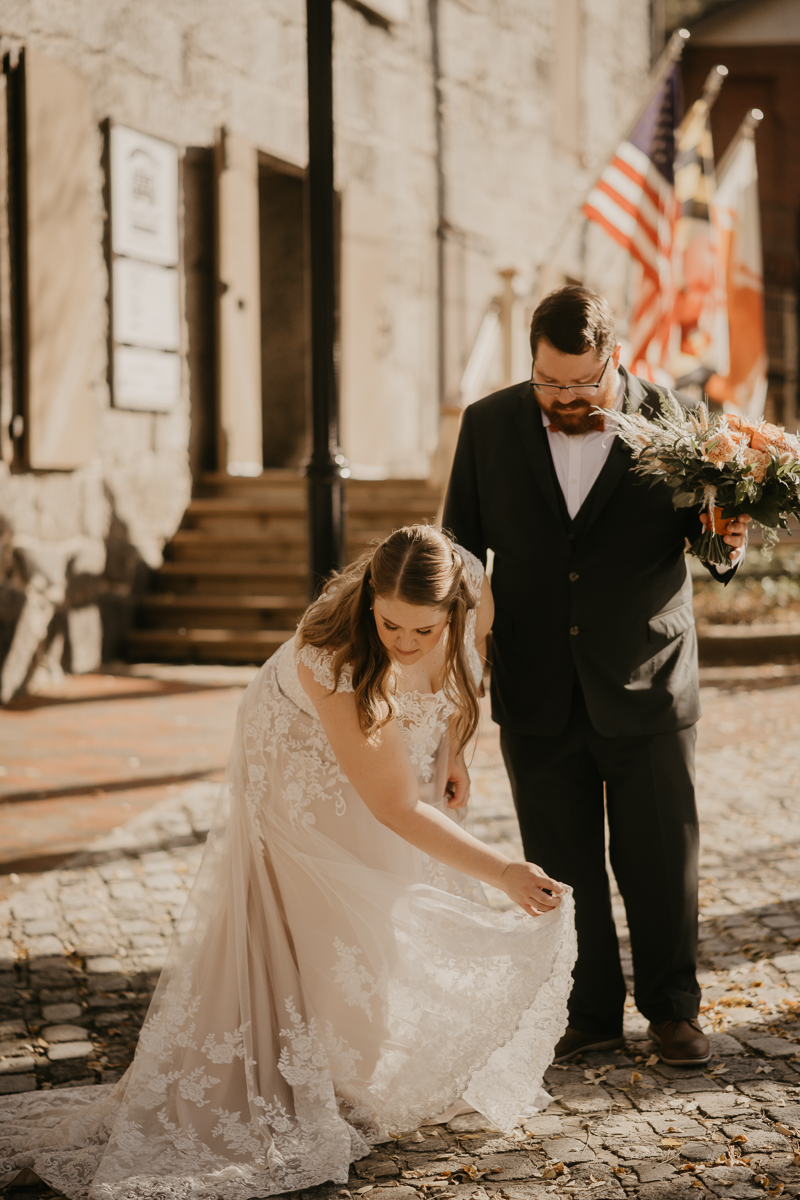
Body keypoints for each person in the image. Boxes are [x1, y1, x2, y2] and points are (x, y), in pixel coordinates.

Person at [0, 525, 575, 1200]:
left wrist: (449, 753)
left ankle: (347, 1052)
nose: (407, 643)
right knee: (329, 897)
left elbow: (456, 675)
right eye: (391, 625)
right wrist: (503, 870)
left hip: (377, 746)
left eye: (424, 629)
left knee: (386, 881)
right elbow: (393, 806)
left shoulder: (472, 588)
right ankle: (299, 1061)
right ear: (367, 600)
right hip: (295, 753)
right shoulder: (334, 658)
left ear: (453, 605)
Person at [442, 286, 750, 1069]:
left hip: (648, 677)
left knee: (658, 859)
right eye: (550, 384)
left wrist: (731, 534)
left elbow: (714, 552)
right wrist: (450, 697)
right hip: (536, 686)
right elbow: (461, 557)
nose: (565, 400)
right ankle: (589, 1013)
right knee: (558, 864)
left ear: (616, 360)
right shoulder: (487, 426)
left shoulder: (681, 422)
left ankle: (674, 1012)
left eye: (582, 385)